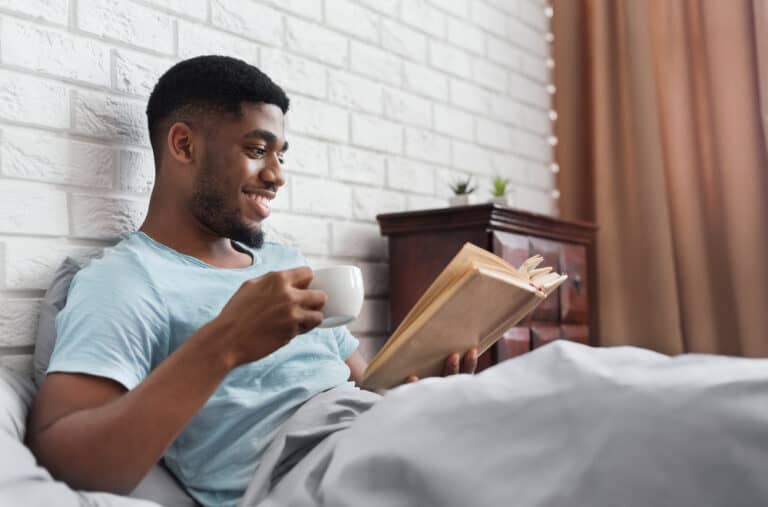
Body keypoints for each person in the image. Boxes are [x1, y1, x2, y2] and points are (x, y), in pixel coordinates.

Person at [25, 55, 477, 507]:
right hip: (310, 473)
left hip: (382, 435)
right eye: (257, 150)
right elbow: (65, 460)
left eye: (280, 155)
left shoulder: (286, 262)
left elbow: (366, 388)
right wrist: (225, 342)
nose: (277, 176)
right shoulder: (126, 280)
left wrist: (424, 389)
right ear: (184, 146)